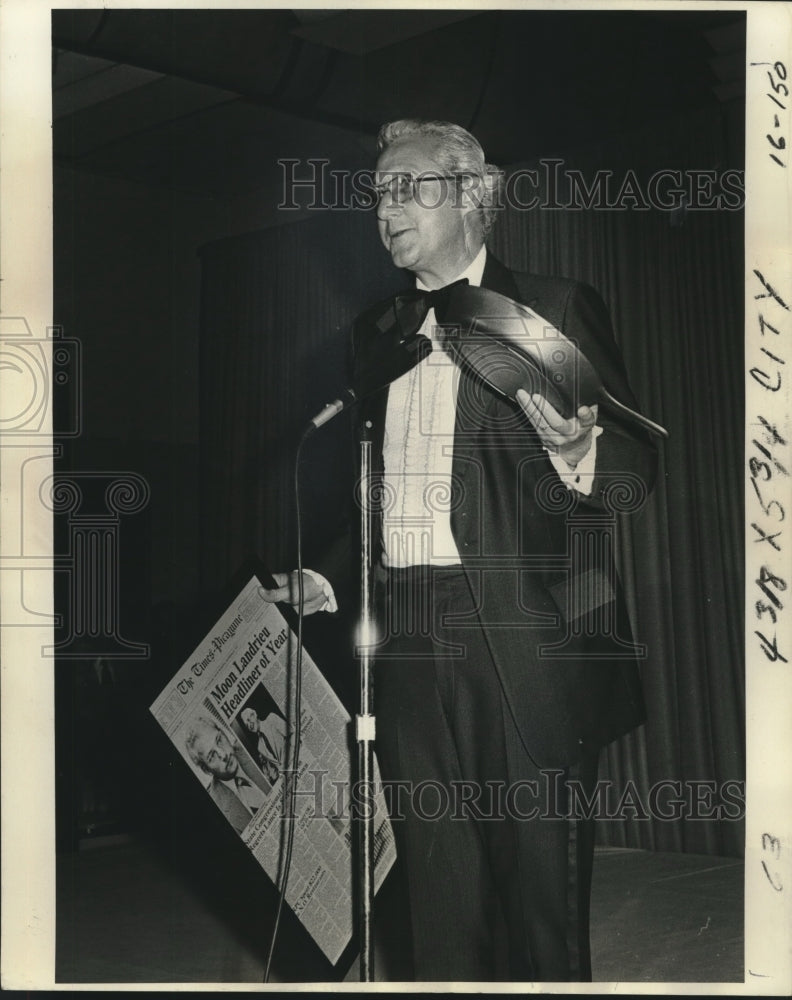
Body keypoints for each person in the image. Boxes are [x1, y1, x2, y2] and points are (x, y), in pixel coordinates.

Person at [263, 119, 657, 981]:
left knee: (539, 902)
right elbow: (378, 490)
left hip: (519, 633)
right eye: (378, 193)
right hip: (407, 638)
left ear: (475, 196)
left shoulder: (545, 310)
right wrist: (328, 573)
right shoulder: (380, 329)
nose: (384, 208)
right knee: (438, 899)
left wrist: (577, 447)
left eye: (409, 187)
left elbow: (635, 462)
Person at [185, 714, 268, 834]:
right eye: (212, 756)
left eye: (219, 740)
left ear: (224, 734)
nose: (223, 755)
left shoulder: (251, 744)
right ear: (206, 770)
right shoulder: (217, 807)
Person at [240, 707, 288, 782]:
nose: (250, 725)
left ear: (255, 714)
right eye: (247, 725)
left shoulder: (272, 719)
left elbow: (292, 734)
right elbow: (274, 770)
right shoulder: (260, 747)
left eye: (249, 720)